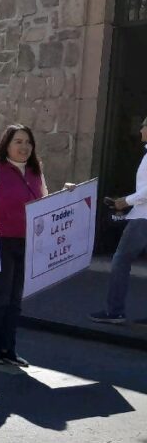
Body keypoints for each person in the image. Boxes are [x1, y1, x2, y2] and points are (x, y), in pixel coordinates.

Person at [0, 124, 54, 366]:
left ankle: (8, 349)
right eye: (18, 141)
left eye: (28, 142)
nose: (24, 147)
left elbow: (45, 204)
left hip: (26, 243)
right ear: (6, 145)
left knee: (14, 300)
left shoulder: (35, 172)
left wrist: (68, 194)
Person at [90, 115, 147, 325]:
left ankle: (114, 311)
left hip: (143, 217)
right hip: (141, 214)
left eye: (143, 126)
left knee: (121, 259)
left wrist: (126, 201)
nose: (140, 129)